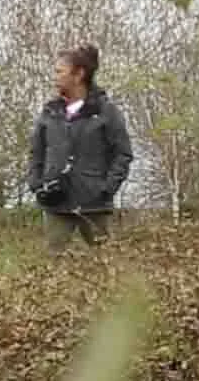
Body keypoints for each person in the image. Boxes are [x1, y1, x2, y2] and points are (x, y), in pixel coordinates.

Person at [28, 44, 133, 252]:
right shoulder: (49, 112)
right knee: (52, 265)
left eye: (60, 72)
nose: (55, 77)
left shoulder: (106, 112)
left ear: (79, 75)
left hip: (94, 204)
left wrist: (106, 188)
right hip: (56, 201)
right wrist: (37, 183)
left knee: (105, 264)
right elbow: (36, 152)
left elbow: (123, 154)